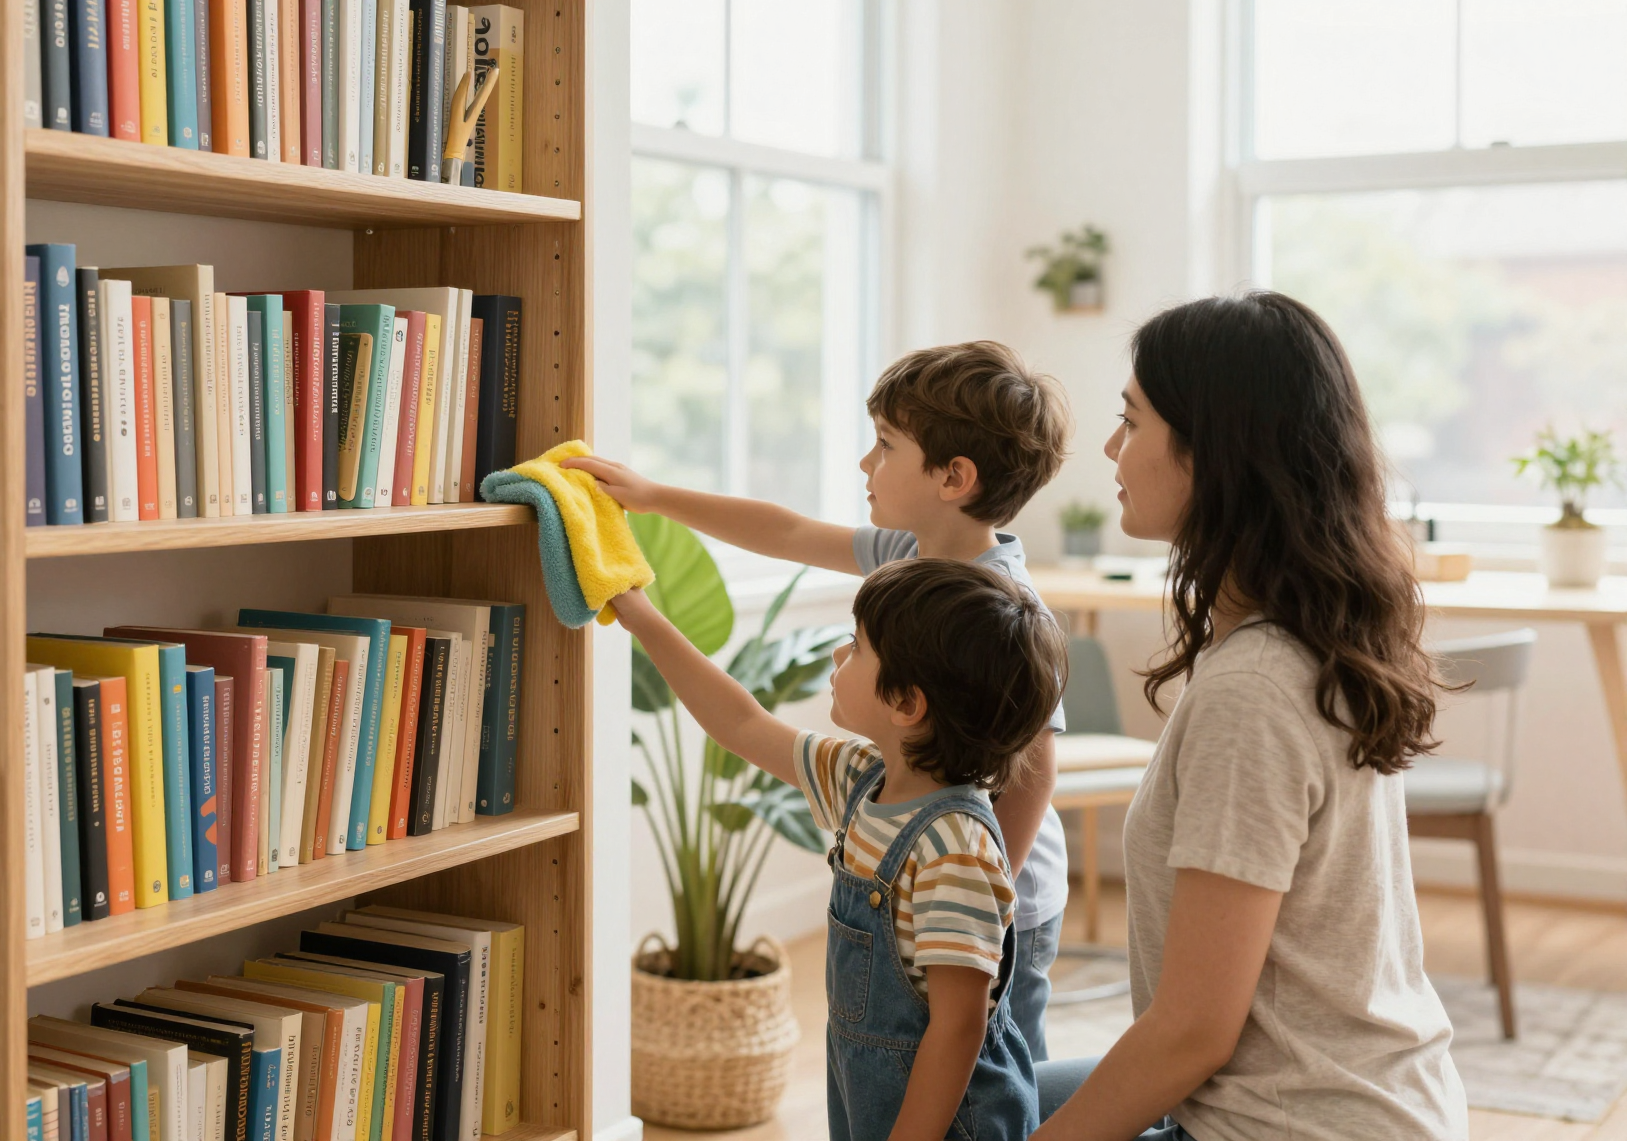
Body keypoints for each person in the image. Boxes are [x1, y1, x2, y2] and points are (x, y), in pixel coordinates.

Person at [1031, 291, 1466, 1140]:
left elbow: (1192, 1032)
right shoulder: (1307, 637)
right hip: (1376, 1098)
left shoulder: (1255, 692)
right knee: (992, 1096)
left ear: (1210, 453)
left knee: (964, 1117)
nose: (1113, 450)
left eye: (1132, 421)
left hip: (1296, 1123)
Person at [568, 341, 1077, 1057]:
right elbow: (786, 532)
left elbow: (1033, 776)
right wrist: (654, 497)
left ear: (953, 477)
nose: (866, 464)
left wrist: (986, 901)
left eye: (885, 445)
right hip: (919, 880)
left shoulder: (1004, 606)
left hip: (991, 901)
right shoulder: (908, 552)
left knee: (992, 1077)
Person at [610, 557, 1067, 1141]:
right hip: (868, 1095)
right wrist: (642, 616)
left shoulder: (956, 851)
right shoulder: (861, 779)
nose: (836, 655)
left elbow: (958, 1030)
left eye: (857, 646)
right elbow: (741, 723)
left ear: (907, 705)